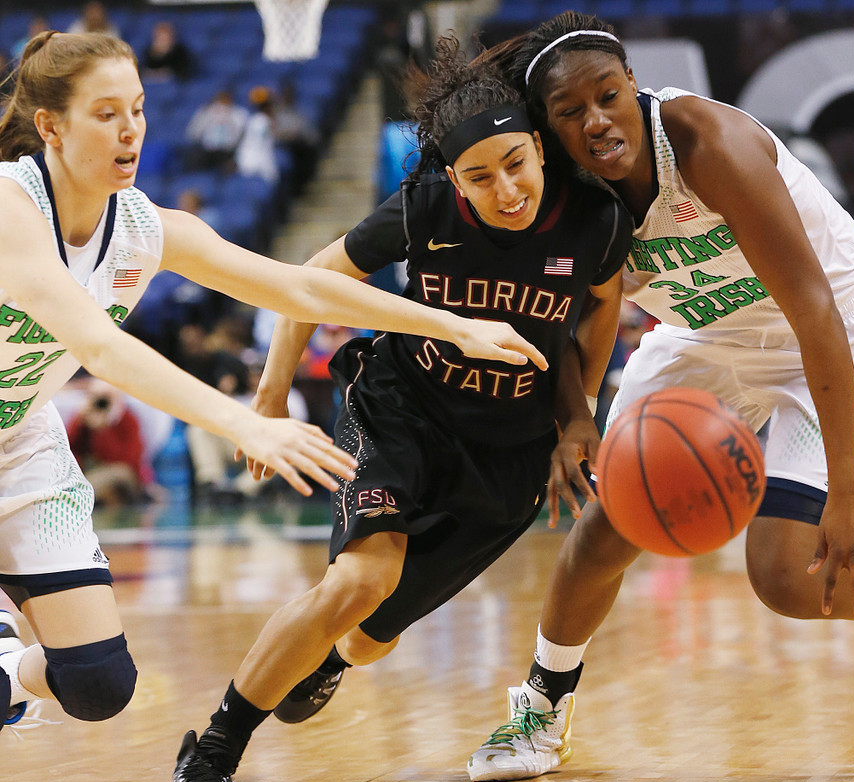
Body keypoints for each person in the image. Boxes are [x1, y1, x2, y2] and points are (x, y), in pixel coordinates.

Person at [461, 12, 854, 782]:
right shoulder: (556, 192)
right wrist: (576, 419)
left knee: (787, 576)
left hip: (837, 333)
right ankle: (541, 711)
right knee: (605, 527)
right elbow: (563, 322)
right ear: (548, 126)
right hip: (706, 335)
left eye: (610, 95)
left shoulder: (705, 143)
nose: (597, 122)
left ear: (634, 85)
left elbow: (813, 308)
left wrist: (850, 493)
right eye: (570, 112)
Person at [0, 31, 544, 740]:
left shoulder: (142, 228)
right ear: (50, 127)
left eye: (136, 108)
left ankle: (8, 667)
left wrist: (452, 326)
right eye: (105, 113)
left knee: (99, 685)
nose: (130, 128)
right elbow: (100, 347)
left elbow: (296, 285)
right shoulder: (12, 207)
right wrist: (245, 423)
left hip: (20, 439)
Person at [169, 35, 631, 782]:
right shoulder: (423, 209)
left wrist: (575, 419)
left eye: (516, 163)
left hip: (509, 457)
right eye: (480, 176)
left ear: (541, 151)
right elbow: (307, 281)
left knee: (366, 637)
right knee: (360, 579)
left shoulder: (594, 219)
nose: (506, 188)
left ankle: (333, 654)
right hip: (402, 411)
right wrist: (271, 399)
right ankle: (211, 750)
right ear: (453, 177)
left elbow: (601, 313)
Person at [67, 378, 157, 506]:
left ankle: (79, 495)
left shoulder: (128, 419)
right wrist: (80, 420)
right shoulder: (84, 418)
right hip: (92, 472)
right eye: (95, 397)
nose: (101, 402)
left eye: (105, 397)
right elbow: (67, 449)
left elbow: (126, 463)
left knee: (116, 475)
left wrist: (102, 429)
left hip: (123, 478)